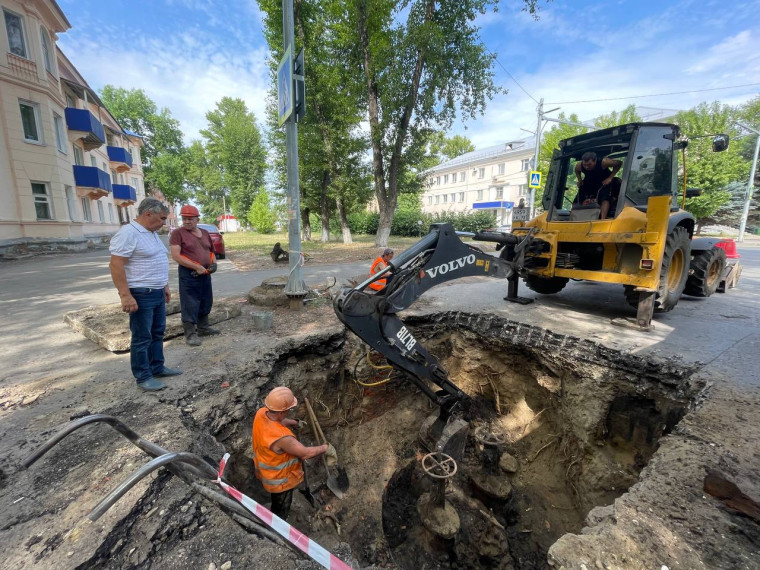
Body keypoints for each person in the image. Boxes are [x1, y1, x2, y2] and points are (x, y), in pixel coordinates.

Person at [109, 198, 181, 392]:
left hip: (156, 292)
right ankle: (143, 376)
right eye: (162, 218)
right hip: (141, 294)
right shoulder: (129, 233)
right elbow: (116, 265)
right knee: (142, 337)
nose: (164, 222)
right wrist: (125, 295)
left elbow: (156, 260)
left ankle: (157, 367)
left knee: (157, 333)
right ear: (148, 214)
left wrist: (164, 285)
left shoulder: (151, 233)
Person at [252, 387, 336, 520]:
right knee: (281, 507)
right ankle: (277, 526)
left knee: (276, 501)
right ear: (281, 412)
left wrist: (294, 422)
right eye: (288, 410)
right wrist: (325, 448)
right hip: (280, 482)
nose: (289, 412)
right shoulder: (283, 438)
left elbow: (275, 421)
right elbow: (305, 453)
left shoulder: (261, 413)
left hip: (265, 469)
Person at [169, 205, 219, 346]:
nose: (187, 222)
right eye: (184, 219)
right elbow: (176, 256)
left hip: (205, 272)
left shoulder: (204, 232)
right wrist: (196, 267)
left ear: (197, 219)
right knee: (190, 303)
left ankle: (203, 327)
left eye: (190, 219)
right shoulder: (178, 234)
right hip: (189, 274)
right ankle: (190, 334)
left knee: (206, 299)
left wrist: (213, 263)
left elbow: (210, 251)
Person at [574, 152, 623, 219]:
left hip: (604, 181)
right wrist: (579, 180)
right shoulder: (579, 165)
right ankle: (574, 218)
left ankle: (603, 219)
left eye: (589, 164)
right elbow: (576, 170)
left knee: (604, 198)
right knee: (577, 199)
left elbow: (619, 163)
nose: (587, 167)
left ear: (595, 161)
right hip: (589, 181)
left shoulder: (604, 162)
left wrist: (610, 178)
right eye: (585, 165)